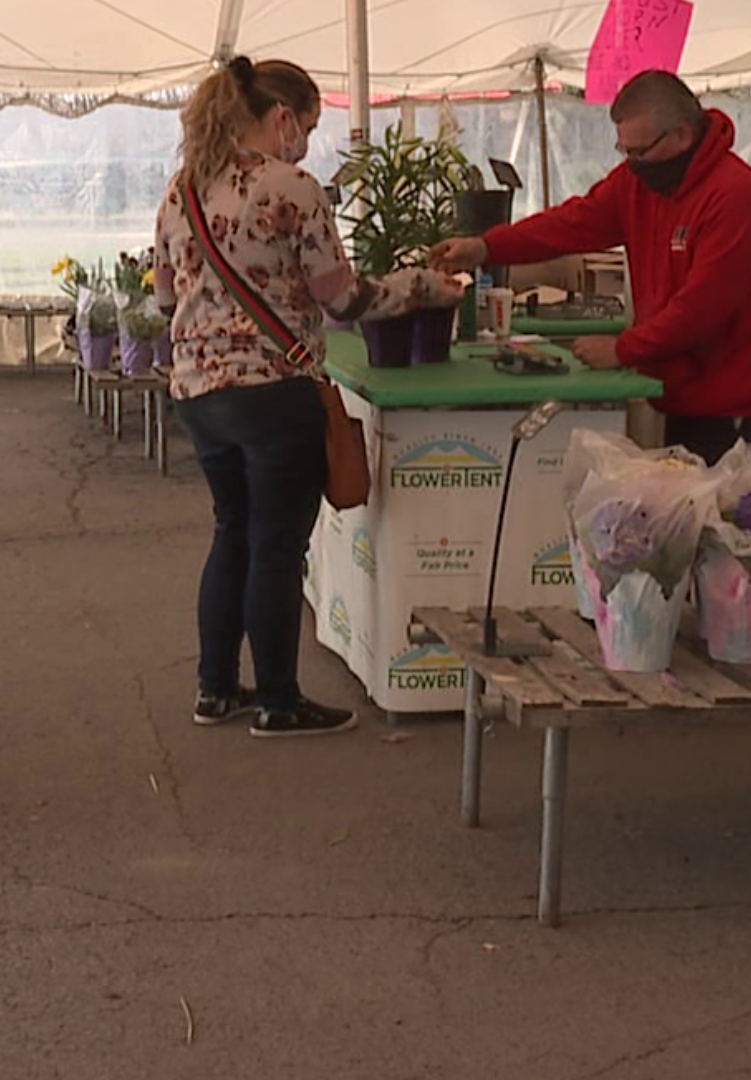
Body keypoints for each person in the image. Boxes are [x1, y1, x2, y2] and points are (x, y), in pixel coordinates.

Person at [153, 56, 461, 738]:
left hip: (199, 395)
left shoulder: (181, 191)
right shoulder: (290, 186)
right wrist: (421, 287)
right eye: (311, 126)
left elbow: (164, 297)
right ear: (282, 117)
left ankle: (214, 691)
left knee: (232, 530)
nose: (309, 142)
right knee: (276, 546)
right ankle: (280, 702)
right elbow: (344, 300)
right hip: (273, 391)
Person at [431, 70, 751, 464]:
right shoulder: (640, 181)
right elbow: (573, 223)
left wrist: (623, 349)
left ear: (682, 136)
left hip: (728, 399)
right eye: (623, 150)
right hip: (681, 390)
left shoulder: (734, 195)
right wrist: (486, 247)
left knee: (720, 515)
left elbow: (703, 308)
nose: (631, 163)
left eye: (638, 151)